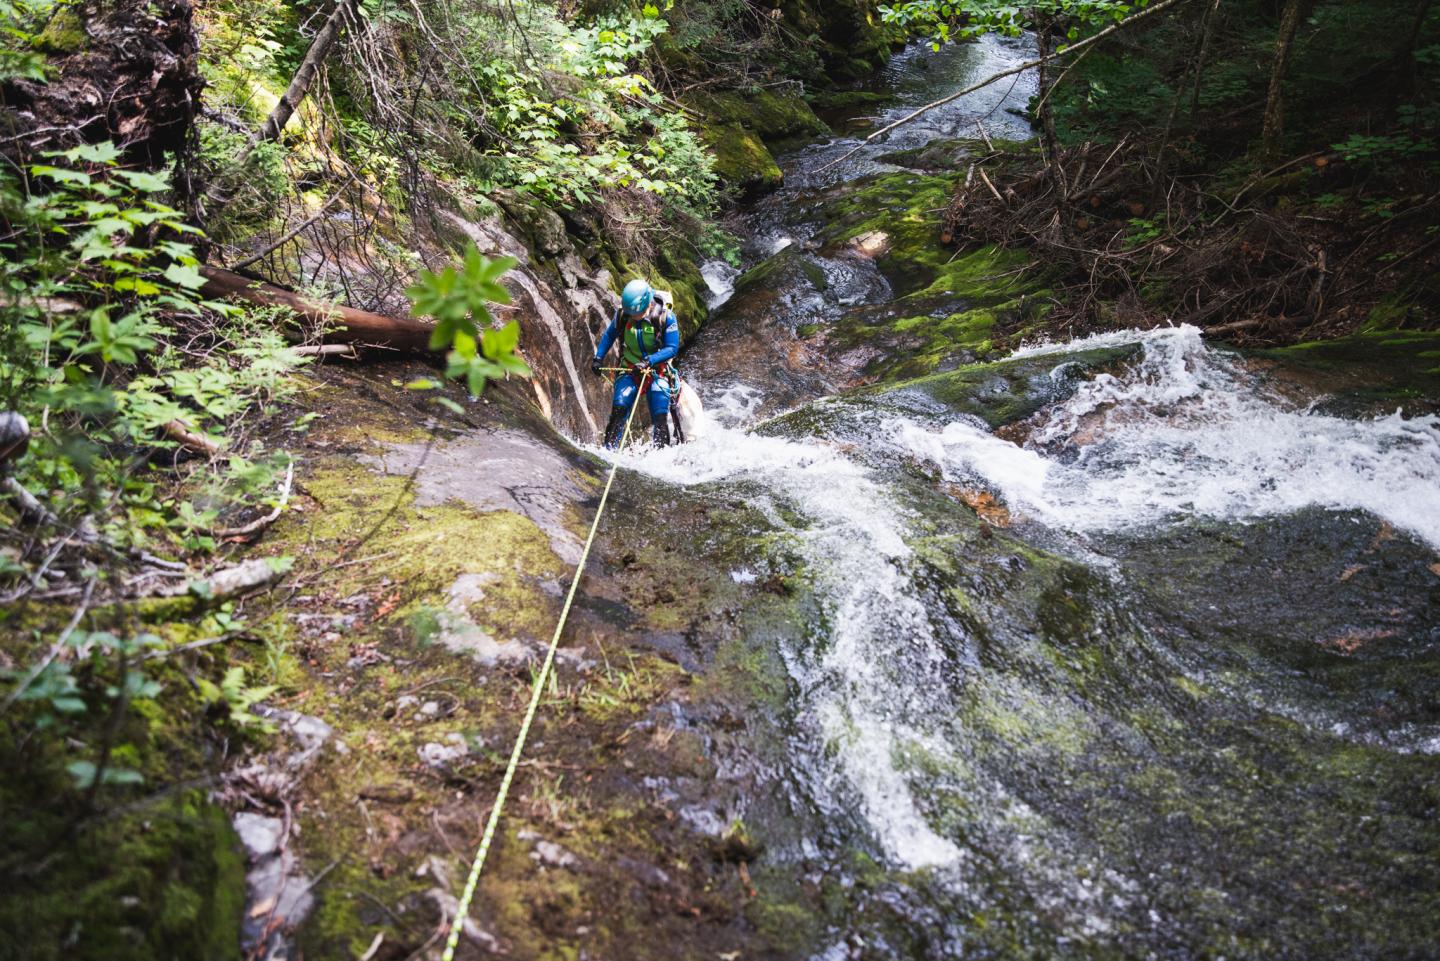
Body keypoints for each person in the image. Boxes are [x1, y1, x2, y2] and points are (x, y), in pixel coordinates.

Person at [591, 278, 681, 448]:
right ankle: (608, 450)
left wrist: (649, 361)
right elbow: (610, 335)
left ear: (648, 305)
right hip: (629, 367)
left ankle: (661, 456)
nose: (633, 317)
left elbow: (672, 348)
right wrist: (598, 358)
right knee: (619, 408)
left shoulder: (665, 317)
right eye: (631, 314)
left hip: (657, 370)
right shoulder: (623, 315)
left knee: (660, 414)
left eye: (636, 314)